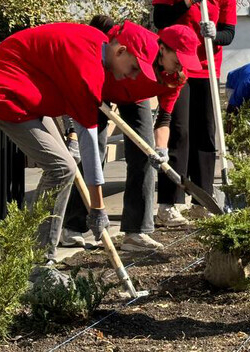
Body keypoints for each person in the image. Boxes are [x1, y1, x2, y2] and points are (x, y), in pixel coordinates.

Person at [0, 20, 154, 276]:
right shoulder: (88, 71)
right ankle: (37, 261)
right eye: (134, 68)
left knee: (64, 166)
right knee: (61, 168)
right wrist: (97, 209)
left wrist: (97, 208)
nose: (133, 76)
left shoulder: (94, 43)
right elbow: (90, 147)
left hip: (30, 93)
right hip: (5, 91)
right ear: (120, 51)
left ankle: (37, 256)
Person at [62, 18, 203, 252]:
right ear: (163, 48)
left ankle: (136, 232)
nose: (179, 67)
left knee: (145, 157)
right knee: (93, 154)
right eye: (177, 60)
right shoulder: (138, 42)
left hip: (135, 98)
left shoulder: (175, 79)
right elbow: (104, 43)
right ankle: (73, 226)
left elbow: (165, 118)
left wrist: (161, 149)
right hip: (100, 88)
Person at [152, 0, 237, 225]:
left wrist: (215, 33)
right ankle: (169, 202)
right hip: (177, 66)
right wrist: (188, 0)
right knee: (179, 131)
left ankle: (203, 199)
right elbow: (160, 19)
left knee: (206, 134)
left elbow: (229, 32)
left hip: (207, 68)